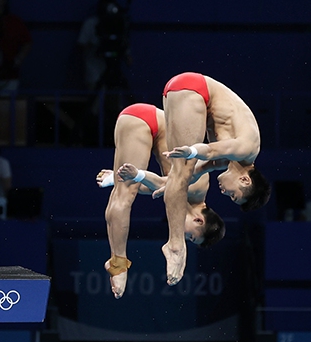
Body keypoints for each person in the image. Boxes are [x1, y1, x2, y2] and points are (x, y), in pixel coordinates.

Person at [94, 103, 225, 298]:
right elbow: (160, 182)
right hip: (146, 121)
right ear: (199, 220)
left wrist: (124, 177)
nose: (186, 236)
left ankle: (117, 261)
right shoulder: (198, 187)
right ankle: (118, 263)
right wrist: (135, 175)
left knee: (127, 190)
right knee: (124, 196)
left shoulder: (181, 201)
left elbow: (151, 186)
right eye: (191, 236)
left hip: (146, 126)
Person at [162, 72, 271, 284]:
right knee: (181, 171)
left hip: (179, 89)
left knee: (180, 175)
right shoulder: (246, 149)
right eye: (234, 196)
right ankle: (175, 244)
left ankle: (174, 243)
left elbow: (195, 174)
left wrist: (164, 185)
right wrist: (192, 152)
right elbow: (210, 151)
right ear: (245, 181)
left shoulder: (228, 162)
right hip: (194, 91)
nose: (225, 193)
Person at [78, 0, 131, 90]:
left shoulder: (118, 25)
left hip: (114, 70)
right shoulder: (91, 24)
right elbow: (81, 45)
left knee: (115, 98)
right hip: (94, 71)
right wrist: (96, 45)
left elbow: (127, 53)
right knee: (96, 101)